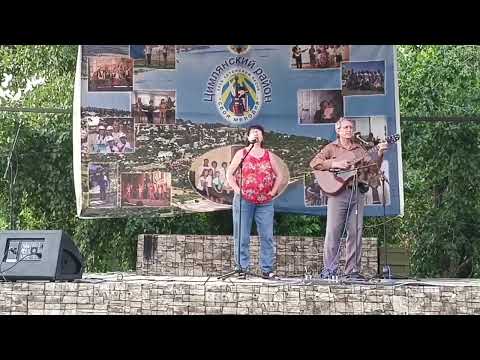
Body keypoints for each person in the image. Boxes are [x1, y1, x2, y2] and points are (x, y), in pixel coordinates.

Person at [309, 118, 389, 279]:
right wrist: (335, 164)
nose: (348, 130)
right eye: (345, 127)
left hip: (356, 192)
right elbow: (315, 163)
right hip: (337, 193)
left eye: (351, 127)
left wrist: (379, 153)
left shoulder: (359, 149)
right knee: (333, 232)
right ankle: (330, 270)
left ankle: (352, 270)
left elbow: (373, 169)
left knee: (355, 232)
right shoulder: (331, 148)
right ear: (338, 130)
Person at [226, 124, 283, 280]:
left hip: (265, 201)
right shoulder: (242, 153)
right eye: (253, 132)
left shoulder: (268, 155)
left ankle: (267, 269)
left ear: (262, 137)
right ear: (248, 137)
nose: (256, 134)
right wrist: (238, 190)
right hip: (244, 199)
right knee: (242, 235)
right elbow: (229, 174)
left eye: (259, 132)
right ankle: (242, 268)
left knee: (266, 235)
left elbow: (279, 176)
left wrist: (272, 191)